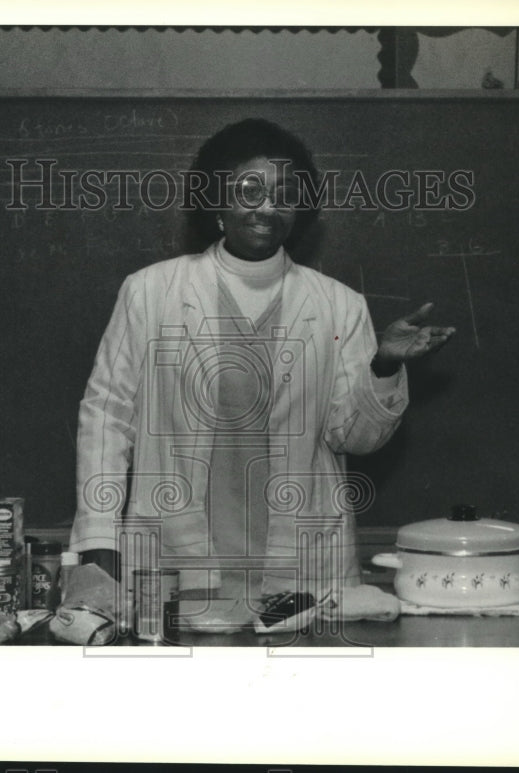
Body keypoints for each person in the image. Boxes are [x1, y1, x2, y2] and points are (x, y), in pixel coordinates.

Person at [70, 118, 454, 630]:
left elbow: (356, 438)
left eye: (285, 194)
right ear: (216, 202)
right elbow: (107, 417)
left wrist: (382, 365)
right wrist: (98, 538)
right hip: (175, 569)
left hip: (302, 575)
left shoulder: (339, 305)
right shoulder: (150, 292)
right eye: (250, 190)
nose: (268, 207)